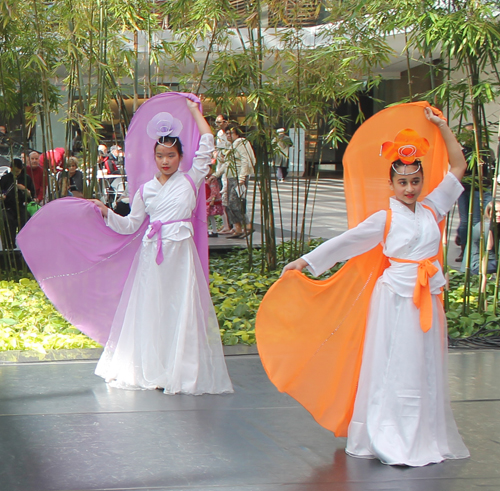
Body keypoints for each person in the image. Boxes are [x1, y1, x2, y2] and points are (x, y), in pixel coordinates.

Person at [257, 104, 470, 467]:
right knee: (394, 364)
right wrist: (307, 261)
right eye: (402, 182)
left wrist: (442, 126)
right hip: (394, 300)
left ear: (422, 181)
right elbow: (348, 241)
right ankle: (388, 431)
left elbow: (458, 167)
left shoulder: (432, 210)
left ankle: (423, 433)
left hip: (427, 297)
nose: (409, 188)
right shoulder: (384, 218)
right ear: (390, 183)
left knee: (424, 365)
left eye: (415, 181)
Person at [91, 98, 233, 395]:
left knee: (181, 309)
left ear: (181, 156)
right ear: (153, 157)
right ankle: (153, 369)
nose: (165, 161)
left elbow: (208, 142)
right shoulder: (146, 190)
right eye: (160, 156)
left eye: (170, 155)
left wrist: (195, 110)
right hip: (151, 255)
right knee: (152, 310)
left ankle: (180, 370)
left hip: (181, 253)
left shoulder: (191, 179)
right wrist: (107, 213)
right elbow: (131, 225)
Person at [224, 125, 255, 238]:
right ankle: (238, 228)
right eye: (226, 133)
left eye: (231, 133)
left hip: (238, 177)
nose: (228, 135)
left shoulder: (240, 142)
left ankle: (248, 225)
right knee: (229, 204)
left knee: (235, 202)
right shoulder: (230, 145)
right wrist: (215, 174)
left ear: (237, 134)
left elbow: (245, 160)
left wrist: (242, 177)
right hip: (230, 176)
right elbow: (226, 164)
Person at [0, 158, 35, 248]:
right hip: (8, 206)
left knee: (25, 218)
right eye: (14, 171)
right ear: (11, 168)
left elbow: (31, 195)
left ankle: (25, 244)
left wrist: (24, 190)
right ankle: (9, 245)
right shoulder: (5, 178)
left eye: (18, 171)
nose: (16, 173)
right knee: (6, 219)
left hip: (21, 205)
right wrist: (2, 197)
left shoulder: (26, 178)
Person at [461, 200, 500, 275]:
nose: (499, 214)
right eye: (496, 211)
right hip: (477, 265)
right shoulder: (486, 228)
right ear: (489, 212)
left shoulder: (495, 225)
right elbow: (490, 254)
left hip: (488, 262)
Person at [206, 165, 224, 237]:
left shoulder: (212, 179)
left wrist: (212, 199)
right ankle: (209, 230)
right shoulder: (204, 179)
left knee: (210, 216)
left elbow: (214, 190)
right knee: (207, 216)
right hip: (206, 199)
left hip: (209, 199)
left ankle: (214, 230)